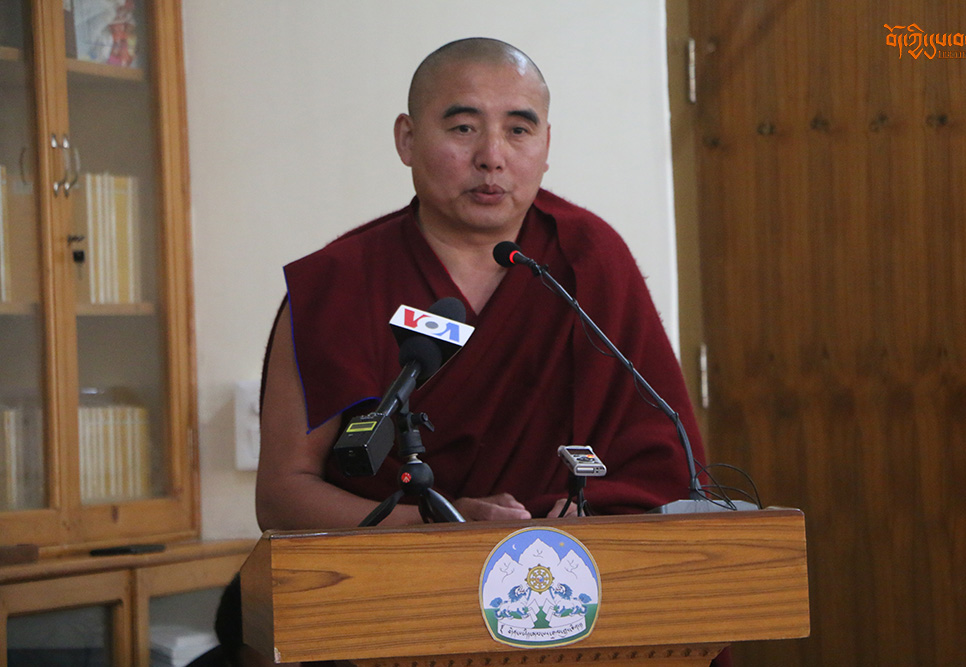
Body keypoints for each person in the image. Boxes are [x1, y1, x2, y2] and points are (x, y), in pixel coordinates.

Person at [232, 37, 724, 667]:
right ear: (408, 139)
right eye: (463, 127)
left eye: (519, 129)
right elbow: (282, 495)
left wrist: (575, 521)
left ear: (547, 144)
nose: (492, 156)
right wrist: (442, 525)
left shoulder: (589, 260)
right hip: (393, 611)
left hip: (575, 605)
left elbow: (663, 467)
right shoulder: (339, 283)